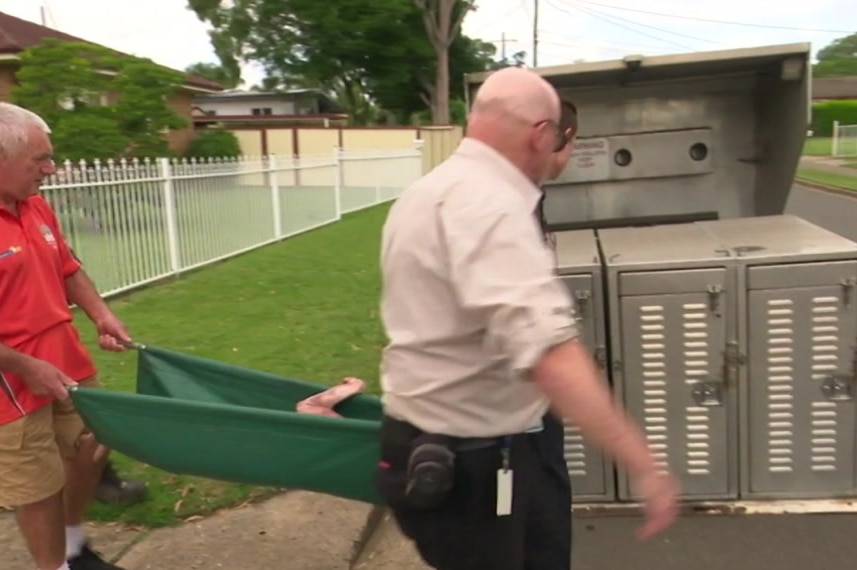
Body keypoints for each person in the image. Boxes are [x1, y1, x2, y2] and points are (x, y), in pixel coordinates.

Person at [375, 67, 679, 570]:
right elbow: (550, 355)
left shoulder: (426, 192)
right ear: (541, 135)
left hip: (434, 446)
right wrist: (642, 463)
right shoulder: (491, 208)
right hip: (470, 465)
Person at [0, 101, 132, 570]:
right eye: (40, 159)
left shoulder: (34, 205)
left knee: (93, 445)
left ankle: (73, 546)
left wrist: (101, 314)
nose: (51, 169)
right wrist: (23, 366)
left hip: (65, 359)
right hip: (11, 384)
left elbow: (67, 266)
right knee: (36, 485)